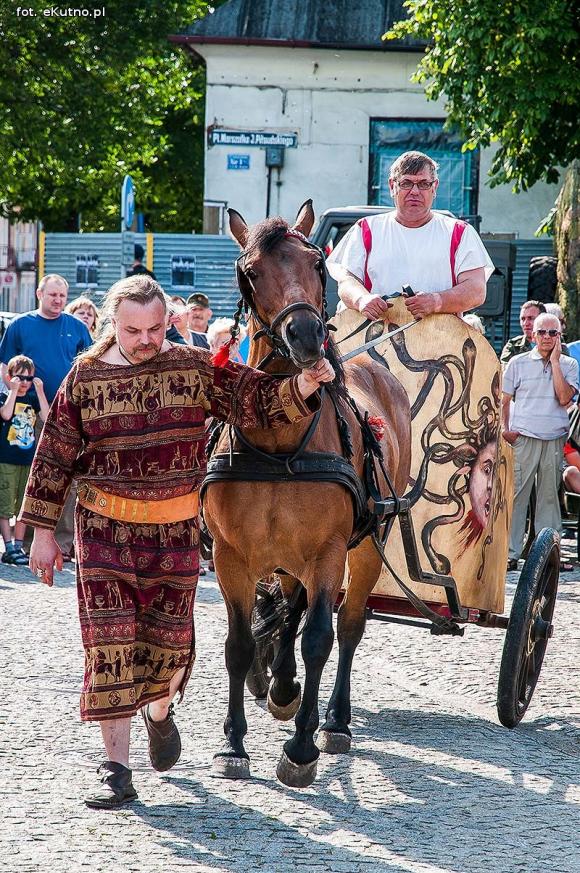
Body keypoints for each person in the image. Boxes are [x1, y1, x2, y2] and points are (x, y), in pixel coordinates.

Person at [21, 275, 334, 810]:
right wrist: (43, 532)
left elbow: (254, 400)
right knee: (110, 646)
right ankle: (116, 768)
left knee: (167, 649)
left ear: (167, 320)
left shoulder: (194, 368)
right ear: (111, 324)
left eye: (153, 328)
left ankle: (160, 713)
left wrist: (305, 385)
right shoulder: (86, 377)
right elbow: (54, 456)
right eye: (131, 330)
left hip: (175, 534)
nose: (144, 339)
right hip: (104, 535)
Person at [326, 150, 494, 321]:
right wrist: (362, 299)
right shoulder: (365, 230)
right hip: (374, 339)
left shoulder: (459, 232)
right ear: (392, 186)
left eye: (423, 184)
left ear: (434, 187)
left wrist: (436, 301)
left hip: (441, 343)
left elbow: (476, 290)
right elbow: (347, 281)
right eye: (406, 183)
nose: (415, 191)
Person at [0, 275, 93, 559]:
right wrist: (11, 397)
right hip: (28, 415)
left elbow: (90, 366)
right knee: (33, 477)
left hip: (68, 414)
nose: (57, 300)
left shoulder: (76, 327)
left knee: (66, 478)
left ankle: (63, 543)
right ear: (40, 293)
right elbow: (4, 364)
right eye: (52, 295)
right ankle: (26, 543)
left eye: (62, 296)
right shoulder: (21, 325)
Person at [502, 313, 578, 570]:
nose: (547, 337)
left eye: (553, 333)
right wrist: (505, 430)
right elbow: (503, 400)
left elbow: (564, 399)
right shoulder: (517, 362)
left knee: (548, 498)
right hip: (524, 437)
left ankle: (547, 557)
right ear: (533, 335)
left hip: (554, 437)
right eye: (542, 332)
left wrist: (555, 363)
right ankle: (510, 554)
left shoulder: (568, 364)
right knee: (516, 496)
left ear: (560, 337)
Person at [0, 355, 49, 565]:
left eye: (29, 379)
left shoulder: (32, 397)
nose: (25, 383)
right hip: (7, 459)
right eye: (21, 378)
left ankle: (19, 545)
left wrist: (39, 391)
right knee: (4, 504)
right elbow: (5, 414)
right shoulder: (5, 397)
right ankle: (8, 546)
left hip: (27, 460)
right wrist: (12, 389)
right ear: (10, 377)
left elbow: (47, 418)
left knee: (23, 506)